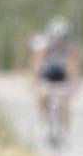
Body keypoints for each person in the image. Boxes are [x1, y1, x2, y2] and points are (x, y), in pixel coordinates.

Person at [30, 15, 79, 147]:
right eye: (57, 38)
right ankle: (45, 124)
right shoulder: (43, 45)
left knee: (65, 101)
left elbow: (72, 65)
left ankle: (65, 132)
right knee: (43, 96)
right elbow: (37, 64)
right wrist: (35, 82)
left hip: (61, 74)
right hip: (46, 74)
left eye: (62, 38)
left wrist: (74, 84)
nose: (59, 41)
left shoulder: (69, 47)